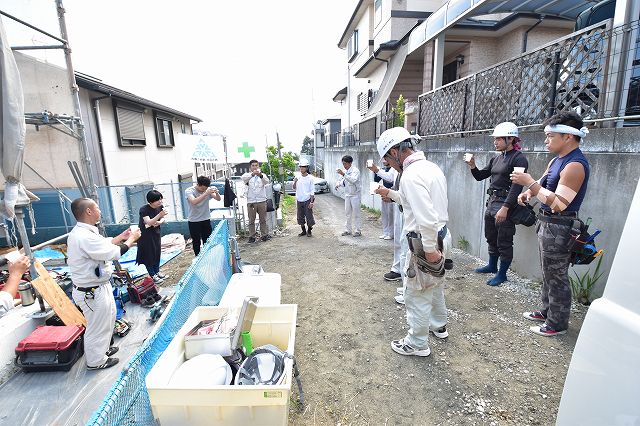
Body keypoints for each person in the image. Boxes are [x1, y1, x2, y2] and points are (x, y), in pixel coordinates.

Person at [511, 111, 590, 337]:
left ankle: (557, 323)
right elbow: (542, 184)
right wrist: (528, 193)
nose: (546, 141)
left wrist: (529, 184)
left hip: (560, 225)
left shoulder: (575, 165)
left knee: (557, 275)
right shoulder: (557, 161)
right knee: (548, 272)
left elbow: (559, 204)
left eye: (550, 136)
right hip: (547, 223)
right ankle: (546, 311)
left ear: (567, 137)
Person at [375, 127, 452, 357]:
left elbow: (425, 218)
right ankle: (439, 325)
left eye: (388, 159)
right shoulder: (430, 167)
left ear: (395, 151)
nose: (389, 164)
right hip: (442, 234)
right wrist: (390, 194)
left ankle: (417, 343)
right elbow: (419, 203)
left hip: (425, 241)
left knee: (416, 293)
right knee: (435, 285)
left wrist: (429, 251)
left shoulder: (409, 175)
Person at [68, 197, 141, 370]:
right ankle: (95, 361)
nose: (100, 211)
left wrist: (121, 237)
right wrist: (131, 240)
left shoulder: (87, 232)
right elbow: (113, 253)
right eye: (97, 208)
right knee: (97, 326)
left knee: (108, 319)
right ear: (88, 211)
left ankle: (102, 351)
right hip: (91, 291)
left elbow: (104, 245)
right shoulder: (84, 236)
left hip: (99, 286)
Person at [464, 122, 529, 286]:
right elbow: (480, 176)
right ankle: (492, 265)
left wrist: (506, 208)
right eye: (495, 139)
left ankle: (502, 273)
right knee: (491, 235)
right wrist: (472, 165)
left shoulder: (519, 158)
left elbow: (517, 185)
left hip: (505, 203)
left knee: (504, 239)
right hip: (492, 202)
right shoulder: (496, 158)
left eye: (499, 139)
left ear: (511, 139)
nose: (495, 142)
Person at [367, 160, 406, 289]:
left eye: (387, 157)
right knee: (399, 241)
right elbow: (391, 177)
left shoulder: (412, 169)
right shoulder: (397, 167)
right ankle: (398, 270)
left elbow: (408, 194)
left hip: (408, 210)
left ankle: (406, 277)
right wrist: (376, 169)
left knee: (406, 244)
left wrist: (391, 195)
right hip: (399, 205)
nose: (386, 161)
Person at [136, 189, 167, 284]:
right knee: (149, 255)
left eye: (161, 199)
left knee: (157, 252)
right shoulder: (144, 209)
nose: (160, 202)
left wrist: (159, 221)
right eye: (158, 200)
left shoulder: (160, 207)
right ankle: (152, 274)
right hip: (145, 235)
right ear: (151, 201)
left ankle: (157, 272)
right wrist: (159, 215)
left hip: (155, 233)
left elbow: (162, 219)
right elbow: (148, 222)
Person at [185, 176, 221, 255]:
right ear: (198, 184)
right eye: (203, 189)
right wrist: (206, 193)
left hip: (206, 218)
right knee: (196, 240)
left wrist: (217, 192)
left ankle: (207, 256)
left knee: (207, 239)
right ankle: (197, 257)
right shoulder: (189, 191)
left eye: (206, 188)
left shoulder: (207, 190)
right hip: (194, 220)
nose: (204, 190)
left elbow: (218, 199)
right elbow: (194, 201)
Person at [242, 159, 271, 243]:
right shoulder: (247, 175)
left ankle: (264, 235)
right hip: (251, 201)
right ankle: (252, 236)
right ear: (250, 167)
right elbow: (244, 179)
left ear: (258, 166)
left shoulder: (262, 175)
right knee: (251, 220)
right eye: (253, 166)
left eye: (256, 165)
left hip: (261, 200)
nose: (255, 167)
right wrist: (252, 174)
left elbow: (266, 182)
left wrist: (260, 175)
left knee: (263, 219)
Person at [335, 155, 362, 237]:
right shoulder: (344, 171)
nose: (344, 165)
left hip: (355, 195)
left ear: (350, 163)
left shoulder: (355, 171)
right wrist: (338, 184)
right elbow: (340, 181)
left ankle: (358, 230)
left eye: (345, 163)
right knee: (347, 213)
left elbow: (353, 180)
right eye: (343, 164)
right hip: (347, 195)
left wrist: (343, 174)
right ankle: (348, 230)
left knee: (356, 214)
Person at [293, 159, 315, 237]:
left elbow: (312, 190)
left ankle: (309, 230)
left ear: (307, 168)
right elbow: (294, 187)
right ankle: (303, 231)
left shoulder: (310, 178)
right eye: (301, 167)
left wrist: (312, 202)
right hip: (299, 199)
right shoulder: (297, 177)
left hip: (307, 199)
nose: (301, 168)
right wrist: (295, 181)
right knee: (300, 216)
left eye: (303, 167)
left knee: (309, 216)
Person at [373, 159, 394, 240]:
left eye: (385, 159)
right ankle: (385, 232)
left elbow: (390, 181)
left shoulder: (393, 170)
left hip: (391, 194)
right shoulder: (383, 170)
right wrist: (375, 171)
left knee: (390, 215)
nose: (383, 161)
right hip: (383, 194)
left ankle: (391, 233)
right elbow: (376, 180)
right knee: (384, 214)